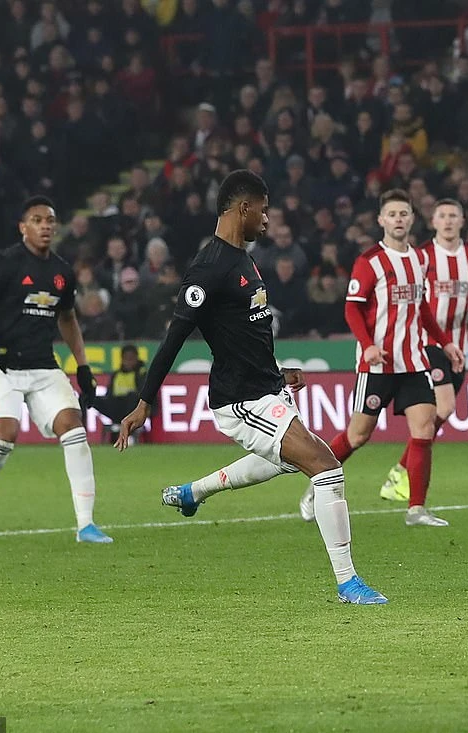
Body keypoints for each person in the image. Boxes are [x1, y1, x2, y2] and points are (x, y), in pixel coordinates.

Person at [114, 170, 386, 605]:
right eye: (264, 209)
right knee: (326, 467)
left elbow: (244, 333)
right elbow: (174, 338)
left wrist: (279, 371)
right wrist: (144, 402)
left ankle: (193, 492)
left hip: (266, 387)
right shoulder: (208, 268)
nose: (267, 218)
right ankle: (347, 582)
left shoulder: (244, 259)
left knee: (287, 462)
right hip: (240, 399)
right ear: (244, 208)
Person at [300, 189, 465, 528]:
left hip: (414, 362)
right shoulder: (370, 261)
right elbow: (352, 309)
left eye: (404, 214)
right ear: (381, 220)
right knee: (358, 435)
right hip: (378, 364)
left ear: (412, 219)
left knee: (424, 428)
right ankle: (316, 485)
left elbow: (422, 308)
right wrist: (368, 346)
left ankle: (416, 509)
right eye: (392, 214)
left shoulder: (420, 259)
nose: (398, 219)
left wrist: (445, 343)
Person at [0, 196, 111, 544]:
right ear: (23, 227)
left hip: (43, 365)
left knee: (73, 428)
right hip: (4, 366)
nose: (45, 226)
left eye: (50, 220)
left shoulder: (62, 272)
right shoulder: (6, 263)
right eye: (38, 220)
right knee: (4, 436)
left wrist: (83, 365)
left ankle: (86, 525)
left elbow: (67, 319)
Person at [378, 198, 468, 501]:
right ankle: (403, 477)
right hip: (427, 343)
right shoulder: (422, 256)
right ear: (433, 222)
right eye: (442, 216)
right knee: (444, 408)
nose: (447, 221)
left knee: (434, 418)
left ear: (462, 221)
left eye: (453, 216)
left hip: (457, 348)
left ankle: (401, 469)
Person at [89, 344, 147, 443]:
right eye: (126, 359)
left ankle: (129, 431)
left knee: (132, 396)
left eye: (131, 359)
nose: (128, 362)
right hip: (116, 408)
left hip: (133, 408)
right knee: (89, 398)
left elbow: (144, 394)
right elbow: (109, 394)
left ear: (136, 359)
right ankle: (79, 431)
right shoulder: (116, 374)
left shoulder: (141, 373)